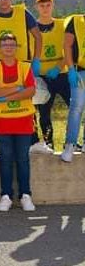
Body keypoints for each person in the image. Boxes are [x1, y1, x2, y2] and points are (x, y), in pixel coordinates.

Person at [0, 0, 42, 155]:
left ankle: (34, 140)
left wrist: (36, 59)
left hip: (21, 62)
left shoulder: (23, 13)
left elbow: (38, 36)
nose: (3, 0)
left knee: (27, 101)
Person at [0, 33, 37, 212]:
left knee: (23, 159)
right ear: (0, 48)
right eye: (5, 44)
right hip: (2, 121)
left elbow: (31, 90)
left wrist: (7, 95)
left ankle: (25, 195)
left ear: (16, 47)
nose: (8, 47)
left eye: (11, 44)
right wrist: (17, 89)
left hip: (23, 120)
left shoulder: (25, 67)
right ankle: (6, 195)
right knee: (5, 159)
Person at [30, 0, 70, 152]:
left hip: (61, 73)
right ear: (36, 7)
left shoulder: (62, 25)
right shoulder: (32, 28)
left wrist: (59, 67)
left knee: (75, 107)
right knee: (44, 113)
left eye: (48, 5)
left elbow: (70, 48)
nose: (45, 8)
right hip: (42, 76)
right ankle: (49, 143)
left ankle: (72, 141)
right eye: (41, 5)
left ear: (53, 5)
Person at [62, 13, 85, 162]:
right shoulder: (76, 21)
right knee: (76, 107)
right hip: (80, 71)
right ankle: (70, 143)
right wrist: (70, 69)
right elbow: (67, 45)